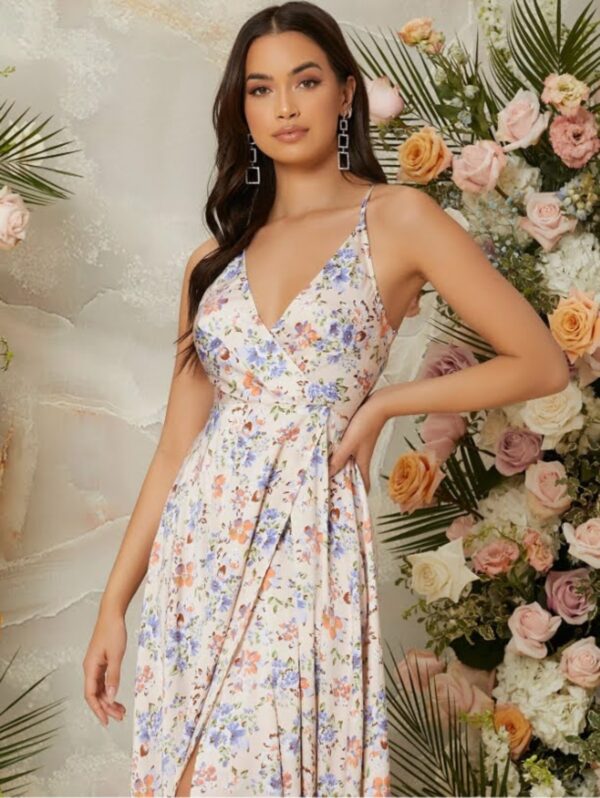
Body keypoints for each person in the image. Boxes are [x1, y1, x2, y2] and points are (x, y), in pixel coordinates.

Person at [82, 2, 571, 796]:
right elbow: (174, 449)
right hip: (198, 547)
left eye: (304, 82)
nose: (283, 105)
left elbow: (542, 363)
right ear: (241, 108)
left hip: (307, 537)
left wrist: (384, 403)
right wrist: (113, 606)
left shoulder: (399, 217)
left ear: (345, 94)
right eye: (260, 89)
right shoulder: (212, 261)